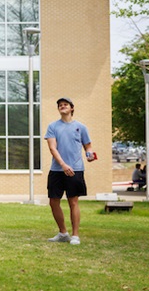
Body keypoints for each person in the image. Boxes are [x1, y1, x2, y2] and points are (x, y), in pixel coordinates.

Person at [44, 97, 97, 246]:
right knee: (53, 202)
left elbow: (88, 146)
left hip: (76, 169)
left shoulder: (81, 127)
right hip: (57, 169)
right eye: (60, 105)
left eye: (65, 105)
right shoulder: (52, 126)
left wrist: (90, 154)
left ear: (72, 108)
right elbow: (52, 148)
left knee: (73, 202)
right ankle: (63, 233)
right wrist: (63, 164)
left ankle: (75, 235)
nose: (62, 107)